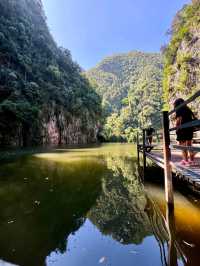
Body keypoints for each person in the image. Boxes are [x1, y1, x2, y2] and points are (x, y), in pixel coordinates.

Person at [174, 98, 196, 166]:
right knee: (189, 145)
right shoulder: (188, 109)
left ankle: (185, 160)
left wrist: (177, 129)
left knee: (182, 145)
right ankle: (191, 160)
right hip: (189, 129)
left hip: (182, 130)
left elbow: (179, 120)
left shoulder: (179, 109)